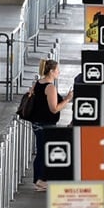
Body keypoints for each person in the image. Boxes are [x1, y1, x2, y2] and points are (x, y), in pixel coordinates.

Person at [29, 59, 73, 191]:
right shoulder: (50, 87)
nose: (59, 72)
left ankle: (39, 179)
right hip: (46, 124)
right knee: (45, 152)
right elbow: (54, 108)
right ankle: (41, 180)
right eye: (57, 70)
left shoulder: (38, 83)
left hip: (37, 123)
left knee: (41, 151)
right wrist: (67, 99)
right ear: (52, 71)